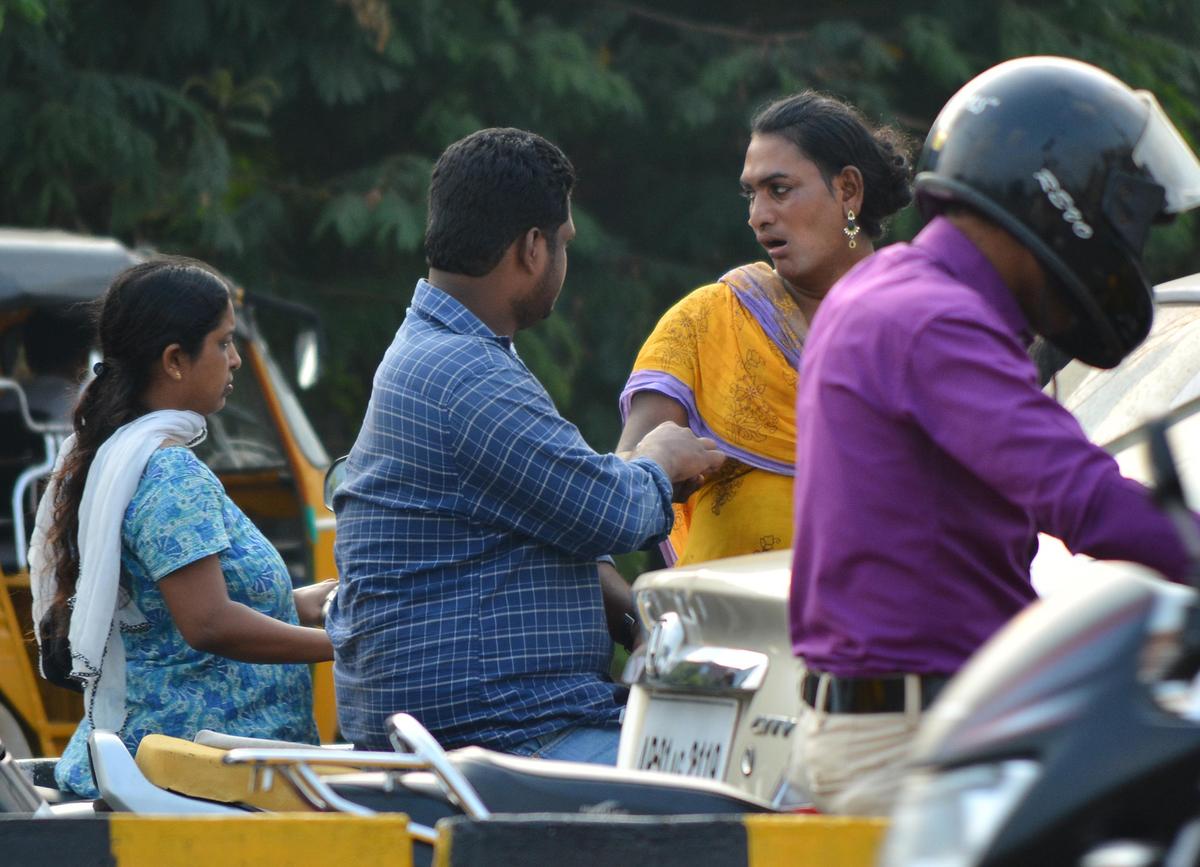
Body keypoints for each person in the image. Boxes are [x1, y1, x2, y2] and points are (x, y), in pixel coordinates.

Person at [786, 56, 1200, 815]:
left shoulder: (890, 291)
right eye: (1121, 226)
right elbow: (1082, 495)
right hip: (918, 742)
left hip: (919, 719)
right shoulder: (935, 322)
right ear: (1061, 207)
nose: (1124, 255)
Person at [329, 128, 725, 762]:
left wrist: (637, 620)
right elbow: (606, 512)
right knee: (738, 791)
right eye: (563, 241)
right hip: (504, 732)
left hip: (484, 722)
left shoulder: (441, 353)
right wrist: (660, 460)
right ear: (533, 248)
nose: (564, 257)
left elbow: (559, 513)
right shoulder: (464, 372)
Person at [28, 258, 334, 797]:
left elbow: (196, 604)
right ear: (174, 360)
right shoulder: (168, 473)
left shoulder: (126, 457)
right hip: (187, 783)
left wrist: (323, 601)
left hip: (171, 769)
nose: (235, 360)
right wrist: (343, 644)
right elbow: (209, 622)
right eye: (223, 343)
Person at [617, 92, 913, 566]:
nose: (757, 216)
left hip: (894, 625)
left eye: (779, 189)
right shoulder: (706, 322)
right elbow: (618, 494)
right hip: (729, 632)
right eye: (750, 194)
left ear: (849, 191)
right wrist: (661, 465)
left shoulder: (924, 328)